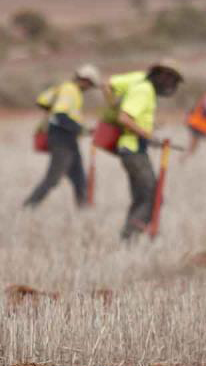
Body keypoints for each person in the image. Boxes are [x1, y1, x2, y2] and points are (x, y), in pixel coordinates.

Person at [106, 59, 184, 239]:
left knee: (142, 198)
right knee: (153, 198)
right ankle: (129, 235)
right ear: (163, 76)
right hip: (132, 150)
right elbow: (124, 118)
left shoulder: (144, 87)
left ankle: (129, 237)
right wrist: (149, 136)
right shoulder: (144, 90)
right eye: (172, 80)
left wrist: (149, 132)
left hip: (134, 149)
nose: (172, 86)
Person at [23, 64, 103, 207]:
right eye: (90, 84)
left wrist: (82, 129)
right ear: (85, 80)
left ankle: (84, 209)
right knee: (53, 178)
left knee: (79, 177)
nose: (89, 88)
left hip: (68, 139)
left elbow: (42, 101)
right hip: (62, 139)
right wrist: (81, 129)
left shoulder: (64, 88)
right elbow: (60, 115)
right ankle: (29, 206)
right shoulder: (70, 90)